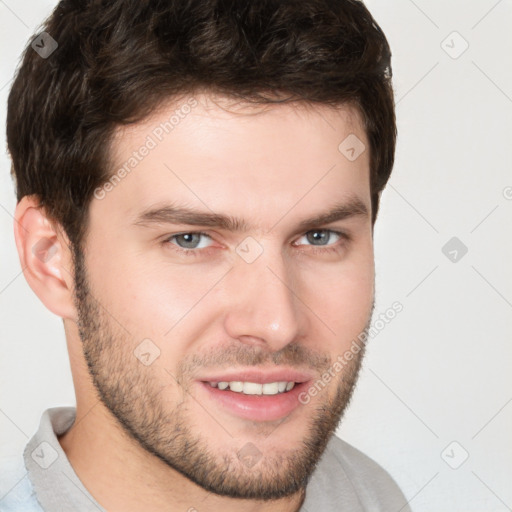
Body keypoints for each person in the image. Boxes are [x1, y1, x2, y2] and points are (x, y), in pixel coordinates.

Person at [1, 0, 410, 510]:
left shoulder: (374, 496)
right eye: (190, 239)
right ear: (51, 260)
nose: (277, 324)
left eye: (319, 236)